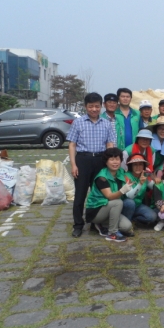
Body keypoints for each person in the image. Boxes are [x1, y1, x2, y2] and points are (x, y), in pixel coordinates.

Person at [67, 92, 116, 238]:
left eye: (96, 106)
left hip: (100, 160)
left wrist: (109, 164)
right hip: (83, 160)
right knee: (80, 194)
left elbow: (110, 144)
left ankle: (97, 221)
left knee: (100, 193)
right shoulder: (78, 122)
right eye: (90, 106)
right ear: (85, 106)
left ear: (101, 106)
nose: (94, 109)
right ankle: (78, 225)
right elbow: (72, 145)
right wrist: (73, 165)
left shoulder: (106, 123)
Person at [84, 147, 134, 242]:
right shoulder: (102, 177)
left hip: (109, 208)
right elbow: (110, 197)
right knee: (118, 202)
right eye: (111, 159)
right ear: (106, 162)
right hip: (97, 210)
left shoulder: (121, 172)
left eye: (117, 159)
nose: (115, 162)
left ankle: (102, 225)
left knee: (127, 226)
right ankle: (112, 233)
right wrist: (122, 191)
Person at [121, 154, 158, 226]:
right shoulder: (126, 176)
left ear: (144, 166)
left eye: (140, 164)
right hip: (126, 205)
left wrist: (156, 180)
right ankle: (127, 223)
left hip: (138, 205)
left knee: (152, 217)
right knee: (130, 202)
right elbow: (130, 196)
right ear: (131, 166)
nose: (138, 167)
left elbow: (154, 187)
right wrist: (140, 184)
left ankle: (134, 220)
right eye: (135, 164)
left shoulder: (144, 176)